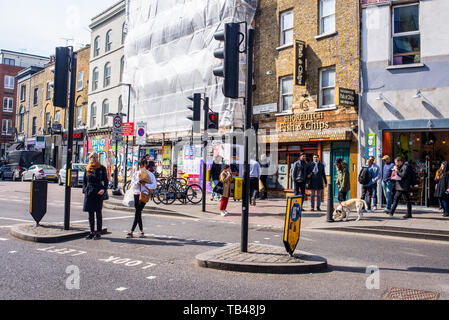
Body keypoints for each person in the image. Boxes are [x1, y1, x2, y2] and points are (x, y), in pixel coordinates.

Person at [127, 160, 157, 238]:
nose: (140, 166)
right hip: (136, 193)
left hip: (144, 194)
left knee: (138, 211)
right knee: (138, 212)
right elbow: (132, 183)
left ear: (145, 165)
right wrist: (137, 182)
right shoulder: (136, 173)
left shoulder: (150, 174)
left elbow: (154, 185)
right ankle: (141, 230)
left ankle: (131, 230)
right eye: (139, 165)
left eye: (142, 165)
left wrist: (145, 184)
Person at [83, 152, 109, 240]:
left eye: (96, 157)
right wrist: (85, 190)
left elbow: (106, 181)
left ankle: (98, 232)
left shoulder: (102, 168)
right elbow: (84, 181)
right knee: (90, 214)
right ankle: (91, 232)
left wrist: (104, 189)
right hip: (89, 192)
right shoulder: (87, 168)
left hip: (98, 192)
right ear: (89, 158)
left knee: (98, 213)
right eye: (92, 157)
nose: (94, 159)